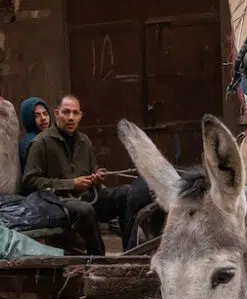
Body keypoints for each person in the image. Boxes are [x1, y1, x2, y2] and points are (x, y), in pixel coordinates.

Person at [21, 94, 149, 255]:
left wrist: (96, 177)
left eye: (75, 113)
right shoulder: (41, 142)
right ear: (56, 114)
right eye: (66, 112)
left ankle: (131, 253)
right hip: (58, 203)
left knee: (125, 193)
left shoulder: (84, 141)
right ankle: (97, 257)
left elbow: (91, 172)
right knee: (85, 210)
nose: (70, 118)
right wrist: (71, 184)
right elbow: (29, 181)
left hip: (87, 197)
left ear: (80, 116)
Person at [17, 96, 51, 166]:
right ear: (28, 119)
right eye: (37, 115)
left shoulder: (47, 137)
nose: (43, 118)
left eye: (45, 113)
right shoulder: (30, 143)